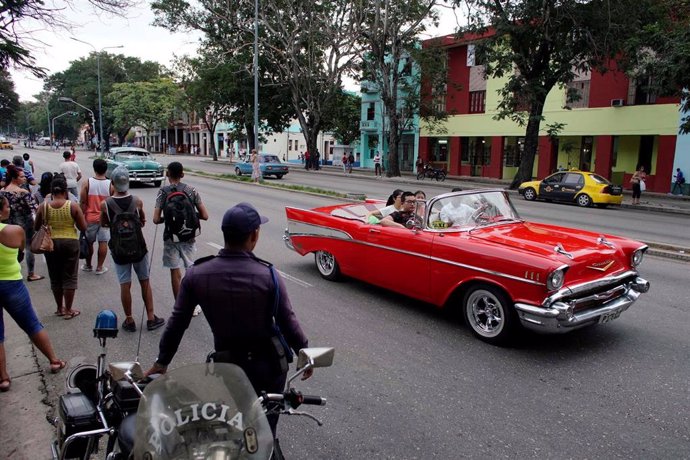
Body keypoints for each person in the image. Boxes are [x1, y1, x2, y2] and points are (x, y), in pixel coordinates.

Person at [145, 202, 310, 434]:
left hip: (228, 367)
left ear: (225, 234)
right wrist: (305, 351)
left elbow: (177, 323)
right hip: (269, 367)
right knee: (265, 429)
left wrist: (162, 362)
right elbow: (288, 321)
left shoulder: (196, 275)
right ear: (254, 235)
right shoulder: (268, 275)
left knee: (235, 421)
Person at [0, 196, 66, 392]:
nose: (9, 209)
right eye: (6, 206)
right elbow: (20, 251)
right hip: (11, 283)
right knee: (31, 323)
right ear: (2, 210)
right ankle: (54, 360)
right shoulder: (14, 231)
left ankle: (3, 378)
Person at [100, 167, 165, 332]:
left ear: (112, 183)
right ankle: (151, 318)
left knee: (125, 284)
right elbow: (142, 220)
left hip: (119, 250)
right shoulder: (137, 201)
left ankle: (129, 320)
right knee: (144, 281)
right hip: (138, 248)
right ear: (127, 182)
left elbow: (104, 224)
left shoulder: (105, 204)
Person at [153, 162, 209, 317]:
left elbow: (155, 219)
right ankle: (192, 306)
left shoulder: (162, 192)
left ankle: (180, 307)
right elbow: (205, 215)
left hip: (171, 237)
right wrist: (190, 217)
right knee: (190, 271)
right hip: (189, 237)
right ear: (182, 174)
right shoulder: (191, 191)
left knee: (174, 271)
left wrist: (169, 219)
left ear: (167, 174)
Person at [34, 175, 87, 319]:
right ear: (65, 191)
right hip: (70, 242)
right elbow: (83, 226)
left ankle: (59, 308)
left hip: (50, 244)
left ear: (51, 192)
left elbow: (36, 226)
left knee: (55, 276)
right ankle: (69, 310)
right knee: (69, 277)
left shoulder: (43, 206)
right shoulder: (73, 206)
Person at [2, 164, 43, 282]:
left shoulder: (2, 191)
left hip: (8, 223)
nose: (24, 178)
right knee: (29, 247)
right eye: (22, 177)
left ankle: (13, 270)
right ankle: (31, 274)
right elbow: (35, 207)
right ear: (15, 178)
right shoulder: (23, 192)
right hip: (25, 223)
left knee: (11, 247)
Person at [79, 159, 111, 274]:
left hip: (90, 218)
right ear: (106, 169)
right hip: (105, 219)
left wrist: (81, 216)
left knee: (89, 242)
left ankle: (88, 265)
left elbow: (82, 202)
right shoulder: (110, 184)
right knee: (103, 242)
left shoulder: (87, 183)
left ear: (94, 168)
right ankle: (99, 267)